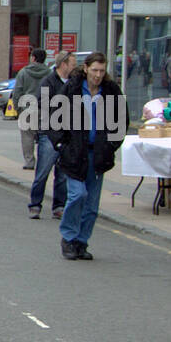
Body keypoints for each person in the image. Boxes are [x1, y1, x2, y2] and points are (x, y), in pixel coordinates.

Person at [53, 52, 125, 260]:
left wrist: (111, 145)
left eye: (102, 71)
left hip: (99, 154)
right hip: (75, 153)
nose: (98, 75)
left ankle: (81, 242)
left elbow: (122, 121)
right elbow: (54, 116)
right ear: (86, 68)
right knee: (78, 195)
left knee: (92, 205)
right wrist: (60, 144)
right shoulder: (72, 89)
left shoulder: (111, 91)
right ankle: (68, 237)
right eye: (94, 70)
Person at [28, 50, 74, 219]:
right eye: (72, 64)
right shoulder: (49, 81)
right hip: (49, 132)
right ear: (63, 64)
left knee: (62, 174)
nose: (74, 67)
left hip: (67, 132)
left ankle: (59, 206)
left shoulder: (73, 81)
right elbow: (42, 102)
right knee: (42, 172)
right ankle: (35, 204)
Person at [11, 47, 50, 170]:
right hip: (44, 108)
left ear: (33, 58)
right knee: (44, 136)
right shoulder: (49, 73)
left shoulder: (23, 72)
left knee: (27, 136)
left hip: (27, 108)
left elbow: (17, 91)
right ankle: (44, 162)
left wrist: (17, 108)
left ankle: (29, 161)